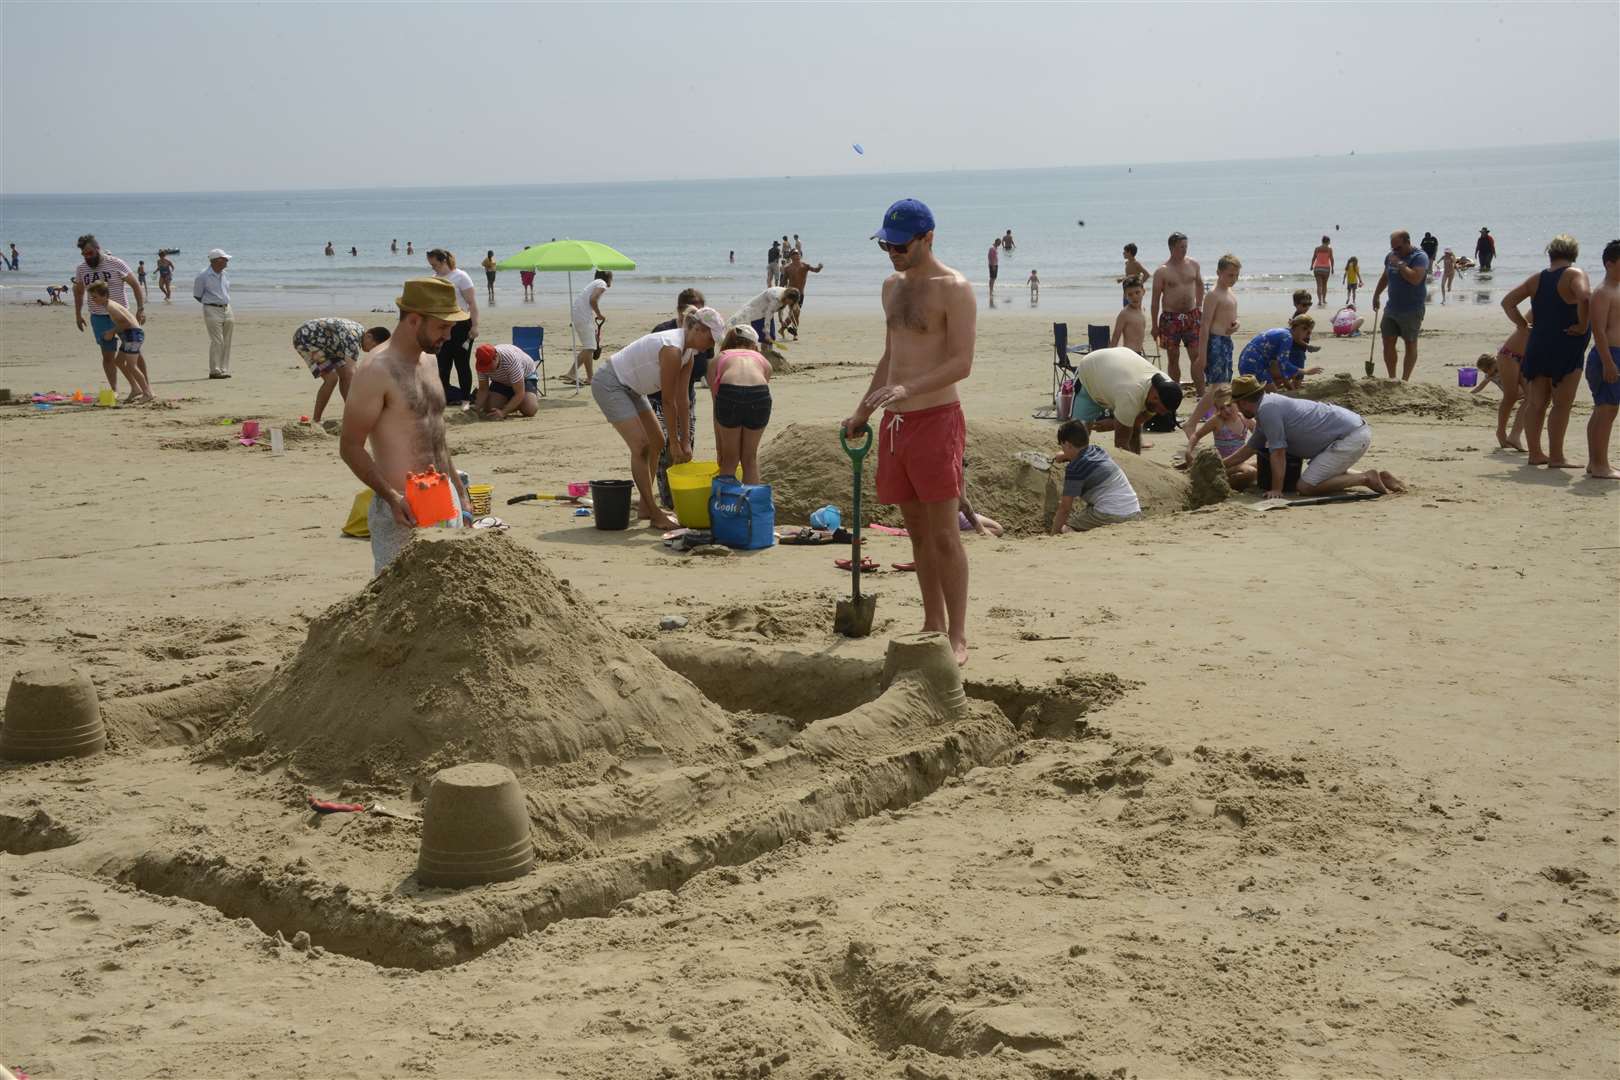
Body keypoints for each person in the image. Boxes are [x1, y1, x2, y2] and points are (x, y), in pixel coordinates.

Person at [842, 197, 976, 665]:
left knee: (944, 536)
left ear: (927, 238)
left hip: (937, 421)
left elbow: (962, 362)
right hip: (895, 425)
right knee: (916, 534)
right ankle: (932, 622)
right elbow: (889, 357)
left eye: (901, 245)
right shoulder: (890, 287)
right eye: (886, 245)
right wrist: (862, 411)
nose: (893, 253)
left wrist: (908, 388)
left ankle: (958, 635)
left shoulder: (954, 288)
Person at [340, 278, 474, 575]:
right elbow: (349, 446)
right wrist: (391, 497)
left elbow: (436, 436)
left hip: (444, 497)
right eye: (442, 327)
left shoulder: (430, 361)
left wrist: (460, 491)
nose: (449, 336)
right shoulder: (376, 370)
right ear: (414, 320)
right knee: (401, 610)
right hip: (403, 510)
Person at [592, 306, 726, 531]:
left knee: (656, 441)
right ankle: (654, 513)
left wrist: (684, 441)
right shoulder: (671, 348)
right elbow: (667, 401)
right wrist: (674, 442)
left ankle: (645, 506)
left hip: (633, 389)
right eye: (711, 338)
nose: (712, 345)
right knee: (642, 446)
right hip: (610, 383)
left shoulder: (688, 354)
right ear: (699, 329)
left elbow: (684, 400)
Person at [1222, 375, 1404, 498]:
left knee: (1305, 486)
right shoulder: (1267, 407)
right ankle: (1381, 477)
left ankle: (1365, 478)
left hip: (1350, 436)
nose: (1236, 408)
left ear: (1244, 402)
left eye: (1236, 404)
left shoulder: (1268, 410)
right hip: (1348, 433)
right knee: (1321, 473)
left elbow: (1278, 452)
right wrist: (1219, 466)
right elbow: (1248, 450)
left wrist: (1276, 490)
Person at [1503, 235, 1591, 469]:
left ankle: (1535, 454)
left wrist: (1522, 325)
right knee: (1561, 404)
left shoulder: (1537, 279)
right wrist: (1582, 326)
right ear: (1573, 254)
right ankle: (1557, 457)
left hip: (1538, 345)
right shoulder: (1574, 275)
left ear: (1550, 254)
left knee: (1536, 403)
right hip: (1565, 345)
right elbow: (1584, 297)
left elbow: (1507, 302)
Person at [649, 287, 714, 508]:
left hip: (687, 396)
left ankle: (682, 496)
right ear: (679, 311)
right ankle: (667, 501)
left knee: (687, 446)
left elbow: (707, 368)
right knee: (666, 445)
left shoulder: (704, 334)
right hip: (659, 398)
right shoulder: (665, 333)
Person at [1073, 347, 1182, 454]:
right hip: (1090, 372)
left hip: (1116, 371)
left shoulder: (1165, 384)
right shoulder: (1131, 395)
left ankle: (1136, 465)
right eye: (1161, 410)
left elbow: (1141, 418)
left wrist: (1113, 424)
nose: (1160, 413)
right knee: (1079, 437)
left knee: (1133, 428)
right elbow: (1121, 445)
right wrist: (1117, 423)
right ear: (1155, 397)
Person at [72, 234, 144, 393]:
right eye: (84, 254)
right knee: (108, 356)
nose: (87, 257)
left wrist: (140, 309)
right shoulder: (81, 269)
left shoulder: (116, 263)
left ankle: (146, 389)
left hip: (121, 314)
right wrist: (78, 314)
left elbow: (135, 285)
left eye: (90, 253)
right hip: (98, 317)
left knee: (134, 353)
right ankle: (115, 391)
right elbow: (78, 293)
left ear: (98, 249)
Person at [1182, 254, 1242, 442]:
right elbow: (1205, 325)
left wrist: (1236, 325)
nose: (1233, 279)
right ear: (1219, 273)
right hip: (1214, 342)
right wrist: (1202, 355)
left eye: (1236, 275)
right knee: (1216, 388)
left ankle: (1218, 422)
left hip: (1226, 342)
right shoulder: (1213, 295)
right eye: (1230, 275)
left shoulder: (1230, 294)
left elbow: (1233, 317)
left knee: (1224, 387)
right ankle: (1191, 422)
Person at [1049, 420, 1141, 533]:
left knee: (1066, 528)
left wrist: (1054, 534)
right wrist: (1064, 455)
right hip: (1134, 511)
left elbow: (1065, 508)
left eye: (1062, 445)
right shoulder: (1098, 450)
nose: (1062, 448)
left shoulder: (1074, 469)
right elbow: (1080, 454)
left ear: (1067, 444)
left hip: (1112, 514)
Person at [711, 326, 773, 484]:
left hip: (729, 393)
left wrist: (720, 449)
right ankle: (751, 507)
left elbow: (716, 406)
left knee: (730, 459)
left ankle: (725, 507)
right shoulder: (763, 361)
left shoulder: (720, 358)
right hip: (759, 395)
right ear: (754, 345)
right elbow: (760, 386)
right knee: (750, 459)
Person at [293, 317, 385, 423]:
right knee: (331, 379)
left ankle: (352, 414)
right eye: (373, 347)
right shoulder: (352, 341)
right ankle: (316, 420)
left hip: (328, 344)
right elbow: (352, 371)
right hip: (306, 339)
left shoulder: (358, 331)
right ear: (369, 336)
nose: (370, 351)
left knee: (345, 376)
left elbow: (349, 373)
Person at [1370, 229, 1431, 381]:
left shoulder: (1420, 257)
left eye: (1398, 248)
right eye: (1393, 248)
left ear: (1407, 242)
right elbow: (1386, 276)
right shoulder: (1390, 257)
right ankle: (1392, 378)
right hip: (1391, 308)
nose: (1395, 251)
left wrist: (1400, 264)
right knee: (1388, 342)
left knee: (1410, 343)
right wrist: (1376, 295)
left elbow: (1415, 279)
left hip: (1411, 309)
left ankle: (1405, 380)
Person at [1584, 239, 1620, 480]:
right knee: (1607, 409)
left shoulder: (1617, 288)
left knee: (1604, 410)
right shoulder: (1602, 292)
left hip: (1615, 355)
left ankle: (1594, 462)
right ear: (1609, 264)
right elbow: (1598, 331)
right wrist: (1608, 362)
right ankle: (1600, 465)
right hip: (1607, 356)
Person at [86, 282, 155, 404]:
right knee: (118, 361)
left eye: (95, 297)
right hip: (131, 335)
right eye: (91, 297)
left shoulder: (111, 307)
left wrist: (111, 332)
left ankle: (147, 393)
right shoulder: (109, 304)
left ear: (104, 295)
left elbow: (126, 323)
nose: (93, 300)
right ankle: (136, 389)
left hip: (133, 335)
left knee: (131, 366)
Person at [1151, 231, 1204, 386]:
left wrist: (1199, 305)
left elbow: (1200, 284)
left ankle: (1201, 392)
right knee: (1173, 357)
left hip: (1191, 316)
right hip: (1170, 318)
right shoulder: (1162, 271)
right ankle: (1175, 391)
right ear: (1172, 248)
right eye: (1181, 247)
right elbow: (1155, 301)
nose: (1185, 250)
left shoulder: (1193, 264)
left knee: (1196, 355)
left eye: (1186, 246)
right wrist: (1154, 326)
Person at [426, 248, 479, 402]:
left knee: (462, 364)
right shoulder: (434, 278)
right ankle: (444, 398)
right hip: (442, 325)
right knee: (442, 364)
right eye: (431, 265)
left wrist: (475, 326)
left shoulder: (461, 277)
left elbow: (472, 303)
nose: (433, 268)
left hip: (462, 325)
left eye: (435, 264)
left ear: (444, 261)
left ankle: (465, 399)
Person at [1184, 386, 1257, 487]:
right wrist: (1188, 451)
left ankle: (1230, 481)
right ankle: (1219, 484)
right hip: (1223, 464)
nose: (1226, 410)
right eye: (1222, 408)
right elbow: (1196, 435)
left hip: (1240, 462)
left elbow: (1261, 435)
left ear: (1236, 402)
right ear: (1217, 409)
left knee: (1263, 466)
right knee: (1251, 472)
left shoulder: (1245, 419)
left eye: (1229, 405)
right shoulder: (1217, 421)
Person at [1237, 316, 1322, 391]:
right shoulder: (1287, 338)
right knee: (1273, 396)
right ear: (1301, 328)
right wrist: (1306, 371)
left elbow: (1279, 364)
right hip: (1254, 365)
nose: (1307, 336)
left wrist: (1288, 384)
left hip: (1246, 361)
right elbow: (1283, 364)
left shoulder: (1283, 332)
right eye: (1308, 333)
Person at [193, 248, 234, 379]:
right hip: (211, 309)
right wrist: (211, 303)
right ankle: (214, 370)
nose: (227, 261)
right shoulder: (203, 276)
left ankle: (223, 369)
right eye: (224, 259)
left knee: (227, 340)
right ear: (216, 261)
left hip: (227, 308)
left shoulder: (225, 274)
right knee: (217, 340)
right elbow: (197, 295)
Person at [473, 343, 540, 420]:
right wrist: (476, 408)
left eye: (488, 366)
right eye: (484, 367)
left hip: (525, 378)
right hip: (501, 381)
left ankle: (524, 400)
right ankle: (512, 402)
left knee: (529, 409)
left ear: (496, 357)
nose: (486, 370)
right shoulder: (481, 365)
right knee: (490, 408)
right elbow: (483, 389)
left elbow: (519, 393)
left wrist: (503, 413)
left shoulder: (511, 361)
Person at [567, 270, 611, 385]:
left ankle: (590, 377)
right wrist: (599, 315)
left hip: (579, 315)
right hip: (582, 316)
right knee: (590, 347)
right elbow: (592, 300)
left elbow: (587, 301)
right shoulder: (602, 283)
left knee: (589, 347)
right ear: (608, 277)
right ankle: (572, 373)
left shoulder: (595, 283)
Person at [727, 285, 800, 345]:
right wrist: (767, 334)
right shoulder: (775, 299)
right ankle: (764, 353)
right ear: (787, 297)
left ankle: (767, 353)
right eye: (789, 302)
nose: (789, 304)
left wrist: (781, 320)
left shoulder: (786, 293)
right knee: (764, 338)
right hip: (756, 313)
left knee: (771, 338)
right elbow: (768, 315)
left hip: (766, 312)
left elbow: (781, 306)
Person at [780, 250, 823, 337]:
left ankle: (782, 329)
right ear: (791, 257)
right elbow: (782, 282)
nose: (796, 256)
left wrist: (819, 267)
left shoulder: (805, 266)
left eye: (797, 254)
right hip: (790, 294)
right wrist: (779, 292)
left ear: (800, 256)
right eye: (794, 254)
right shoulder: (787, 268)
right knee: (795, 313)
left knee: (794, 314)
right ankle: (794, 334)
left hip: (800, 295)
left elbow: (815, 270)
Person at [1110, 275, 1148, 353]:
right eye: (1130, 294)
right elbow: (1115, 337)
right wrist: (1110, 355)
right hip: (1128, 354)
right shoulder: (1125, 314)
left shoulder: (1143, 310)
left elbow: (1139, 335)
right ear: (1125, 296)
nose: (1134, 296)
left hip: (1139, 353)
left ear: (1143, 291)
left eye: (1137, 292)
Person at [1311, 235, 1334, 306]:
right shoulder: (1329, 249)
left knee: (1319, 286)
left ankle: (1319, 301)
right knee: (1324, 285)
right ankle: (1324, 299)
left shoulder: (1317, 249)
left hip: (1317, 268)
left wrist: (1311, 266)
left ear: (1322, 241)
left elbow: (1314, 258)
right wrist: (1332, 268)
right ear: (1328, 241)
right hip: (1326, 269)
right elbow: (1332, 259)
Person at [987, 237, 1000, 304]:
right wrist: (992, 266)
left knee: (994, 278)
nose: (999, 244)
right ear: (996, 242)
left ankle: (991, 290)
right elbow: (990, 257)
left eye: (1000, 243)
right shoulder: (992, 248)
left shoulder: (995, 248)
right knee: (992, 278)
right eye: (999, 243)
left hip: (995, 265)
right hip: (993, 265)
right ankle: (991, 291)